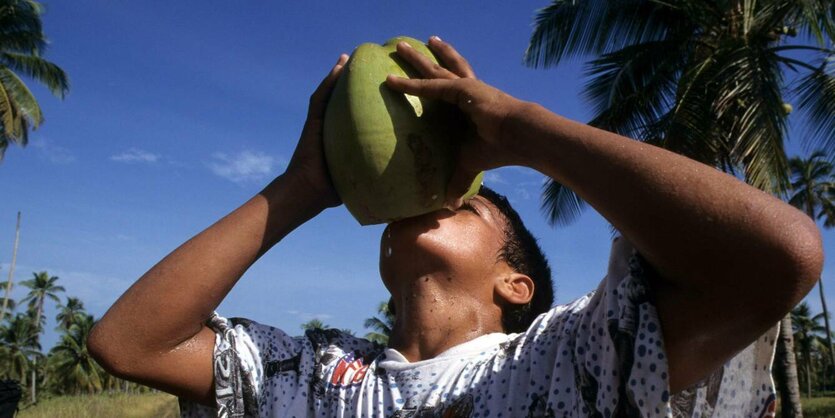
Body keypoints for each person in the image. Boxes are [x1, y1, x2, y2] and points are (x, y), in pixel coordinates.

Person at [88, 37, 823, 418]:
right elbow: (127, 342)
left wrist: (522, 133)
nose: (435, 199)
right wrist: (301, 188)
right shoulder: (312, 376)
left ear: (515, 283)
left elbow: (777, 257)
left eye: (468, 202)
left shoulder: (564, 358)